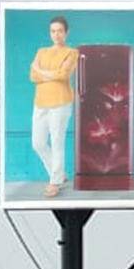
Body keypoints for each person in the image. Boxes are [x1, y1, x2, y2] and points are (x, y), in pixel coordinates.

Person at [28, 15, 79, 198]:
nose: (56, 34)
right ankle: (58, 173)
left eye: (59, 31)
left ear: (66, 33)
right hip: (41, 102)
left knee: (57, 141)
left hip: (61, 102)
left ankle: (55, 181)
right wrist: (48, 74)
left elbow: (63, 75)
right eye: (53, 31)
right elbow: (32, 77)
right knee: (38, 143)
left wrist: (41, 70)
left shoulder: (71, 53)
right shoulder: (42, 52)